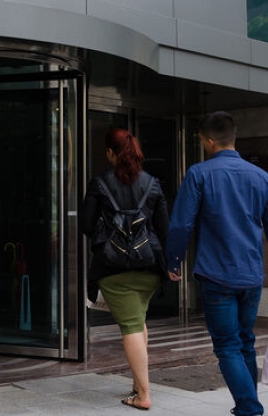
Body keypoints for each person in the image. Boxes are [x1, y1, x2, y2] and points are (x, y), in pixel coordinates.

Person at [164, 111, 268, 416]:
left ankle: (250, 409)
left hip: (216, 276)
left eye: (201, 140)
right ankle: (247, 406)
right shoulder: (261, 178)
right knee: (245, 343)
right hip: (251, 277)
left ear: (209, 141)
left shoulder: (199, 174)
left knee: (227, 346)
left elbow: (181, 225)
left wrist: (173, 261)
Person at [80, 128, 169, 411]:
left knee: (130, 326)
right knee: (138, 321)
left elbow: (85, 225)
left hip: (114, 269)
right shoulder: (153, 184)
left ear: (110, 153)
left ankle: (142, 394)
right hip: (150, 266)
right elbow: (165, 229)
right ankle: (137, 385)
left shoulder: (99, 183)